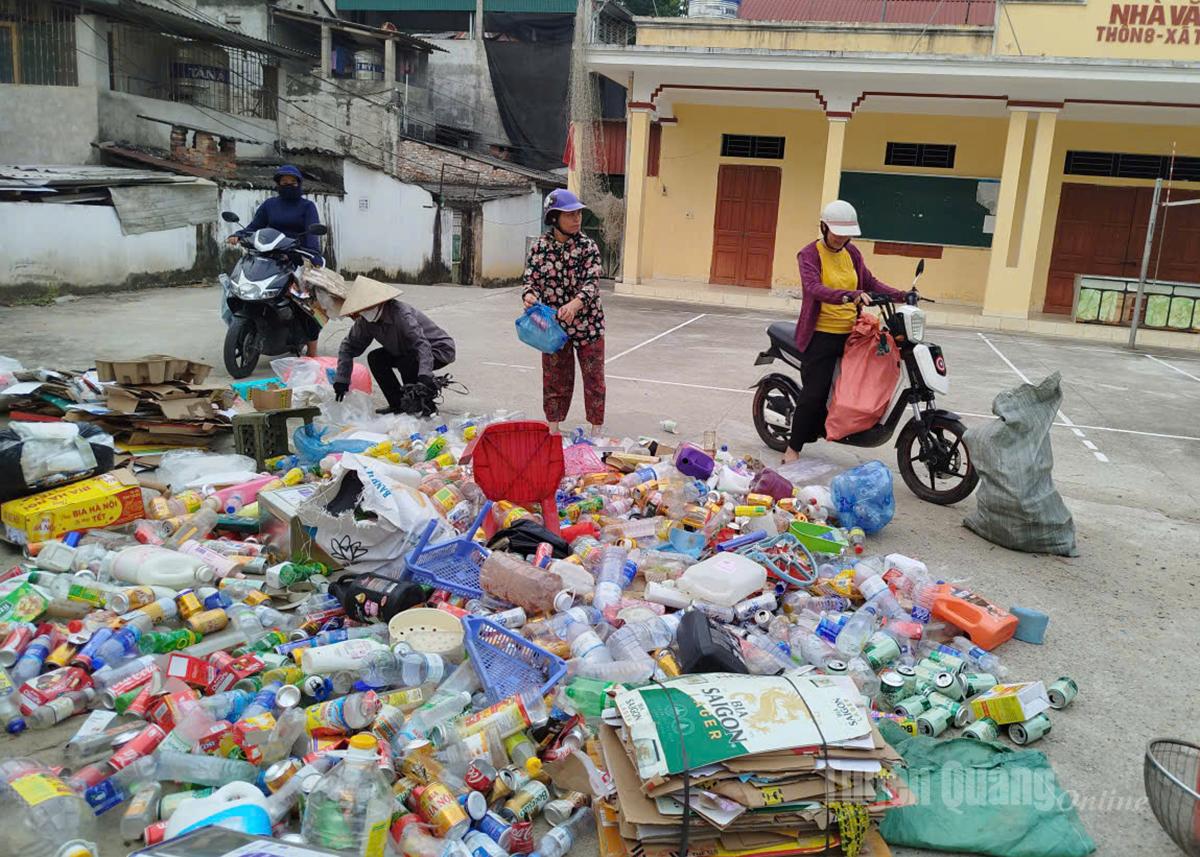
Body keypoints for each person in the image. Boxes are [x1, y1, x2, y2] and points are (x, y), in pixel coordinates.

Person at [784, 200, 909, 464]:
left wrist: (901, 294)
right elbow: (814, 288)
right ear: (824, 227)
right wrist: (848, 296)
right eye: (836, 232)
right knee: (815, 392)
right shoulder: (808, 254)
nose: (841, 238)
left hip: (852, 333)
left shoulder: (852, 253)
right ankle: (793, 448)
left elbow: (869, 282)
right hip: (820, 335)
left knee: (860, 384)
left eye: (846, 233)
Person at [521, 189, 606, 436]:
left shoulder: (588, 247)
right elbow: (530, 280)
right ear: (554, 218)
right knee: (555, 379)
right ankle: (553, 430)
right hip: (553, 328)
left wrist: (575, 304)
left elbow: (592, 283)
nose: (577, 219)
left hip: (589, 326)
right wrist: (528, 295)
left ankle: (596, 432)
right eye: (570, 214)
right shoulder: (539, 248)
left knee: (594, 381)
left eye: (578, 213)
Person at [228, 165, 325, 357]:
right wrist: (239, 235)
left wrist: (312, 253)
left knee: (307, 301)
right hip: (269, 256)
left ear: (299, 184)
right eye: (284, 183)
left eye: (292, 182)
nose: (288, 185)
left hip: (297, 256)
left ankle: (313, 351)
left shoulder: (307, 207)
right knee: (235, 286)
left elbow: (312, 236)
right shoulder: (270, 205)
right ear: (278, 184)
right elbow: (254, 227)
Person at [332, 276, 456, 416]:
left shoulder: (401, 314)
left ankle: (423, 405)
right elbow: (348, 347)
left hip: (437, 349)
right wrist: (342, 379)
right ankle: (398, 404)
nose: (362, 313)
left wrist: (424, 375)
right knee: (375, 358)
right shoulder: (365, 321)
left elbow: (422, 344)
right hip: (405, 349)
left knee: (407, 362)